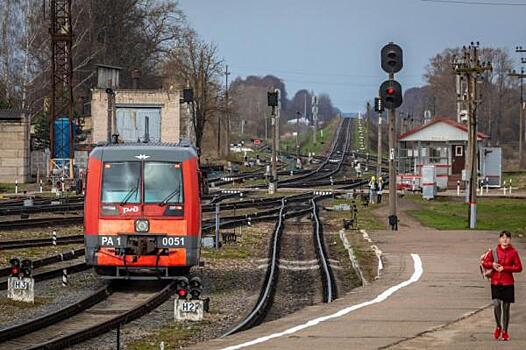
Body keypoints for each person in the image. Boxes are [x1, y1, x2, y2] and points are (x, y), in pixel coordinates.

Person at [482, 231, 522, 341]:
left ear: (510, 240)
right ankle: (498, 326)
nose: (505, 240)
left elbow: (519, 267)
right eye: (503, 237)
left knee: (506, 308)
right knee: (496, 304)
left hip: (508, 283)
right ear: (499, 239)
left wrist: (506, 268)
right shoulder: (494, 251)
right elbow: (485, 263)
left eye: (507, 238)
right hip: (495, 282)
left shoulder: (513, 252)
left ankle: (505, 330)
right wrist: (492, 264)